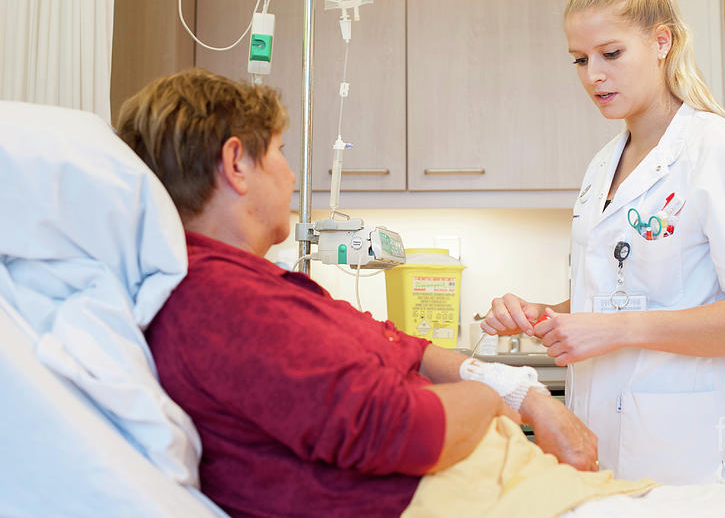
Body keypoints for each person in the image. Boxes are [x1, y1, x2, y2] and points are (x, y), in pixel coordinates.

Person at [114, 68, 598, 518]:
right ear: (237, 163)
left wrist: (527, 394)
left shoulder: (251, 282)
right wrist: (488, 399)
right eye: (281, 151)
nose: (292, 175)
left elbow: (401, 345)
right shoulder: (221, 302)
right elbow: (398, 429)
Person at [482, 0, 725, 486]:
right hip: (596, 437)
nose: (593, 75)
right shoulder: (604, 163)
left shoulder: (718, 150)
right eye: (580, 59)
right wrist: (544, 313)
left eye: (611, 53)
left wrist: (618, 330)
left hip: (686, 453)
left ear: (661, 41)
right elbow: (618, 296)